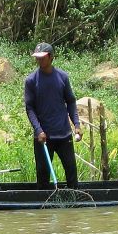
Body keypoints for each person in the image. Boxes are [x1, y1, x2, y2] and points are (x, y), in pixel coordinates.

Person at [24, 42, 82, 189]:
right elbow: (30, 108)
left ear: (51, 57)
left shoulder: (62, 77)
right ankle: (43, 208)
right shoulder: (31, 81)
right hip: (43, 138)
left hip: (63, 135)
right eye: (37, 58)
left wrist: (77, 125)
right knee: (43, 176)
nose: (39, 60)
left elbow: (70, 101)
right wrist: (38, 130)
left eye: (42, 57)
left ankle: (74, 204)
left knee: (71, 173)